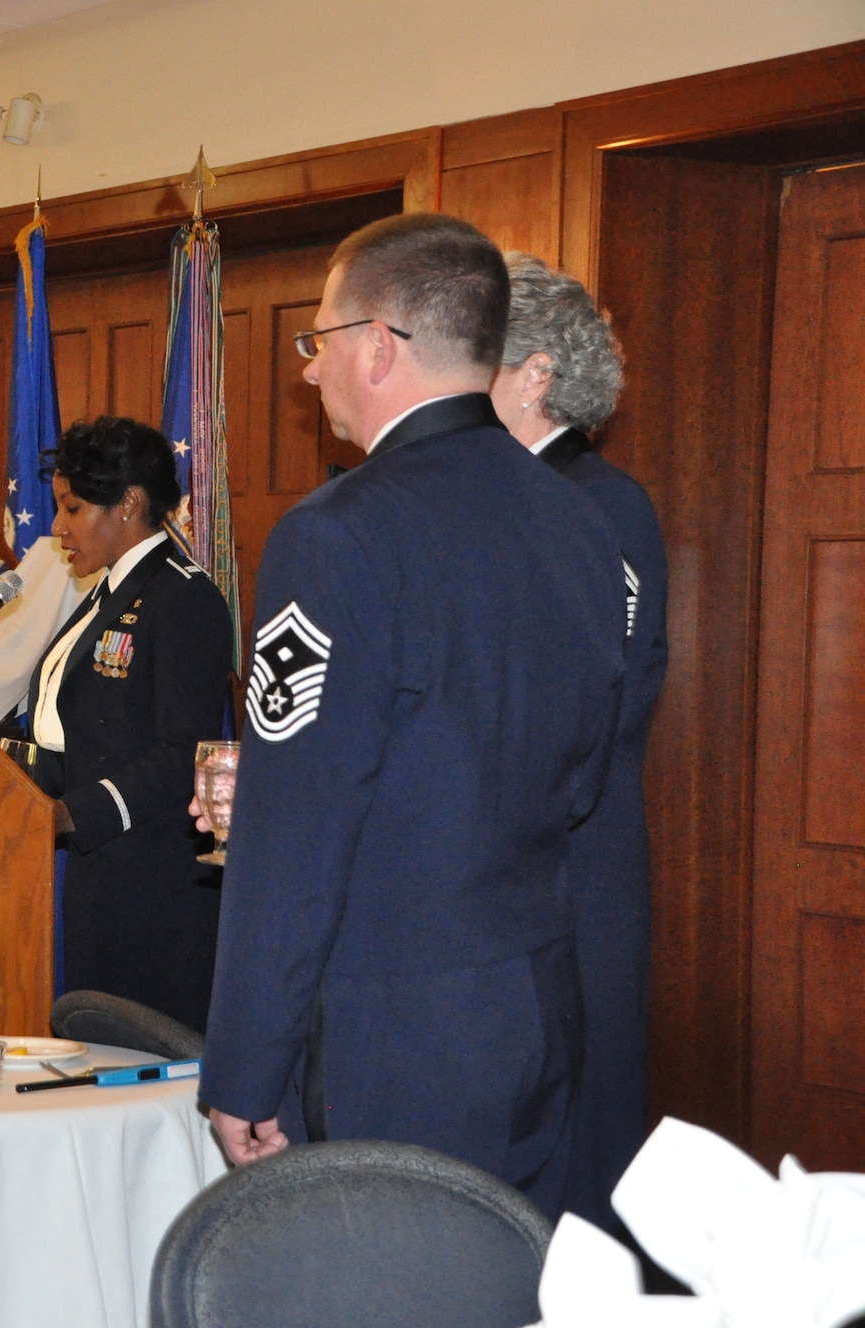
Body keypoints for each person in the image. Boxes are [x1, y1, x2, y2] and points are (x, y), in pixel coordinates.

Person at [202, 214, 628, 1218]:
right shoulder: (578, 517)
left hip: (386, 1033)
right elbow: (580, 778)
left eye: (315, 343)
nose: (308, 373)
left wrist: (243, 1063)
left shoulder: (335, 533)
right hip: (532, 1002)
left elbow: (295, 830)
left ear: (376, 346)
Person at [492, 252, 668, 1235]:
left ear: (533, 375)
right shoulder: (497, 497)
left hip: (573, 875)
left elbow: (594, 706)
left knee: (578, 1154)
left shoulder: (601, 504)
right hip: (513, 886)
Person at [23, 416, 235, 1032]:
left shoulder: (182, 596)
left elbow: (180, 755)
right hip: (102, 874)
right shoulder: (109, 590)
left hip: (155, 887)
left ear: (130, 505)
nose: (58, 526)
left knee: (142, 1063)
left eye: (74, 507)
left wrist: (72, 814)